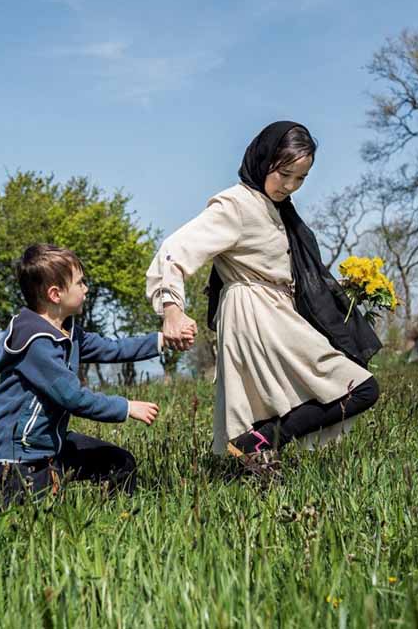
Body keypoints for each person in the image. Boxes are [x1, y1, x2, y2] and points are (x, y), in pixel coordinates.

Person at [146, 121, 382, 469]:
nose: (289, 185)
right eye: (284, 173)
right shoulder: (236, 205)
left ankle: (256, 452)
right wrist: (172, 309)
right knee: (360, 388)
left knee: (292, 397)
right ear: (263, 159)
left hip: (277, 311)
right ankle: (258, 442)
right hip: (254, 313)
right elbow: (174, 250)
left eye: (300, 178)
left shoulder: (277, 210)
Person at [0, 243, 164, 506]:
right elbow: (73, 397)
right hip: (22, 457)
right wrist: (126, 407)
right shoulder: (37, 343)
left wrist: (162, 340)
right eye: (80, 283)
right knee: (35, 526)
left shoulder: (69, 332)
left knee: (119, 463)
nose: (86, 289)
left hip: (52, 446)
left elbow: (112, 349)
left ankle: (118, 523)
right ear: (55, 294)